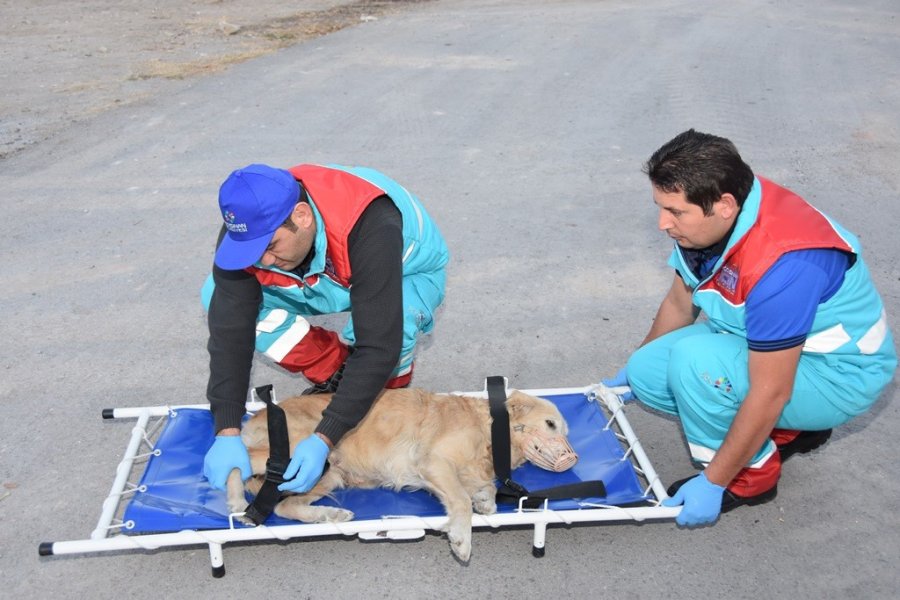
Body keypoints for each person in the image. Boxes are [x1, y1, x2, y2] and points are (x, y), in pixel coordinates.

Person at [603, 129, 896, 528]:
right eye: (660, 207)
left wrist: (713, 481)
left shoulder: (785, 266)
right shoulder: (719, 215)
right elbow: (679, 301)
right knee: (646, 372)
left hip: (838, 374)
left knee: (696, 365)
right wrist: (629, 371)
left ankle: (750, 477)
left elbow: (771, 389)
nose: (661, 223)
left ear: (723, 205)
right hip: (771, 346)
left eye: (674, 211)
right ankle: (791, 429)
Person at [200, 163, 449, 495]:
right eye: (253, 252)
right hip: (320, 276)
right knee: (217, 297)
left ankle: (386, 399)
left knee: (391, 328)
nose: (264, 262)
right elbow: (230, 334)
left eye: (271, 246)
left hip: (399, 270)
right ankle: (335, 371)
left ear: (302, 215)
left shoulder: (370, 222)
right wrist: (227, 430)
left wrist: (324, 437)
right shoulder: (251, 231)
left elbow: (378, 346)